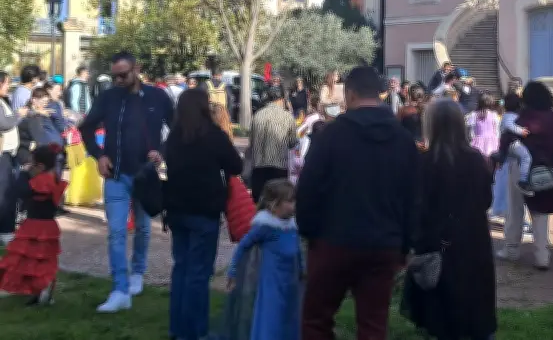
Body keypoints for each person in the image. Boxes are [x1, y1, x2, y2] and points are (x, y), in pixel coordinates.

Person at [297, 66, 418, 340]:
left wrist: (309, 232)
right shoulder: (402, 139)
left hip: (333, 239)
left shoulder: (330, 135)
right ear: (380, 93)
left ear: (349, 94)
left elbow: (308, 189)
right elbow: (413, 197)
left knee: (316, 320)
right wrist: (405, 244)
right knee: (373, 325)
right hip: (383, 243)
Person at [79, 51, 174, 313]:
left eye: (123, 74)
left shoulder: (157, 96)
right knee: (117, 232)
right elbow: (86, 127)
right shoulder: (108, 97)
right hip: (116, 174)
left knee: (143, 228)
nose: (118, 80)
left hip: (145, 174)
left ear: (137, 69)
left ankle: (137, 274)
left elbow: (176, 127)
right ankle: (120, 289)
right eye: (115, 76)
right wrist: (98, 155)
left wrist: (162, 151)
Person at [401, 99, 497, 340]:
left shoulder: (426, 163)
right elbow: (486, 200)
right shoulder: (476, 160)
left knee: (440, 310)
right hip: (473, 240)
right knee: (474, 304)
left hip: (438, 243)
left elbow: (418, 208)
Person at [163, 88, 243, 340]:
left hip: (177, 209)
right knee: (198, 274)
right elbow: (236, 165)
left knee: (181, 269)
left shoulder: (174, 137)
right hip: (204, 210)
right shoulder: (213, 135)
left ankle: (177, 328)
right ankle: (195, 331)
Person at [496, 82, 553, 265]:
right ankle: (542, 255)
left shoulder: (525, 116)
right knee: (540, 211)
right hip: (545, 166)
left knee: (515, 208)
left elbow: (509, 136)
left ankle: (511, 248)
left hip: (521, 165)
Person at [224, 179, 302, 340]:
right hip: (272, 283)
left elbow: (298, 251)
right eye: (289, 201)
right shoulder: (265, 227)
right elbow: (243, 245)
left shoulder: (293, 226)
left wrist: (302, 269)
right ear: (274, 205)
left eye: (295, 200)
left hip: (290, 281)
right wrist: (233, 271)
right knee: (271, 316)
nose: (294, 205)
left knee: (289, 315)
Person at [0, 144, 66, 305]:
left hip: (35, 226)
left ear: (40, 166)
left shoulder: (42, 181)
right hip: (48, 226)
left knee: (29, 258)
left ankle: (41, 288)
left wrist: (23, 173)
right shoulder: (54, 178)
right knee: (42, 259)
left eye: (32, 164)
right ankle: (40, 289)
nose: (30, 167)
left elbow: (18, 191)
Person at [248, 86, 297, 204]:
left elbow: (252, 141)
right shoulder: (287, 117)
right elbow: (292, 143)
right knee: (277, 204)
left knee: (259, 204)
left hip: (258, 167)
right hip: (278, 167)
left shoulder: (257, 115)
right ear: (281, 99)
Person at [0, 72, 26, 245]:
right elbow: (4, 123)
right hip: (2, 155)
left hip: (8, 154)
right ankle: (5, 230)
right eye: (6, 83)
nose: (8, 87)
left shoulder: (4, 100)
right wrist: (19, 115)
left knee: (8, 191)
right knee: (4, 193)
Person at [491, 93, 531, 190]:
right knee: (526, 157)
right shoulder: (510, 115)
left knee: (508, 165)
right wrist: (521, 131)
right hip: (512, 143)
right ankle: (523, 180)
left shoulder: (507, 115)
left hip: (507, 145)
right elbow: (509, 125)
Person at [465, 94, 500, 163]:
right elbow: (497, 130)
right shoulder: (494, 115)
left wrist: (472, 139)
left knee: (478, 162)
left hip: (478, 141)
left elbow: (471, 131)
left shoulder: (473, 114)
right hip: (493, 141)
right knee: (491, 162)